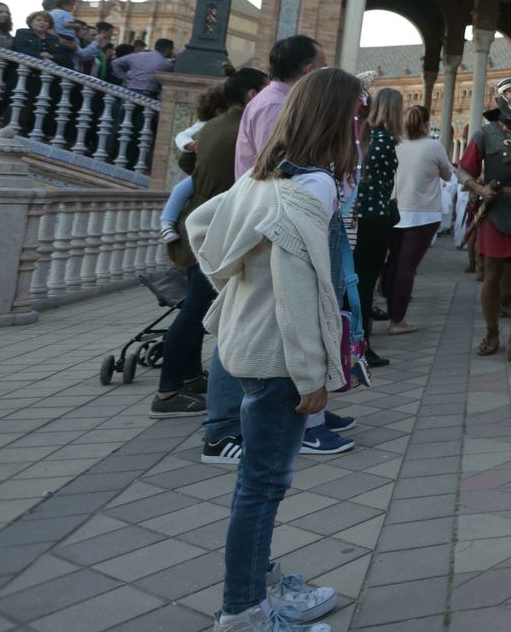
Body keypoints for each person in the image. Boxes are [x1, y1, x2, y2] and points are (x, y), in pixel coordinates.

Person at [188, 67, 362, 631]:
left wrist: (239, 290)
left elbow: (200, 224)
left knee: (259, 482)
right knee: (263, 484)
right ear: (337, 120)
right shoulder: (311, 189)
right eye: (355, 114)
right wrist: (313, 375)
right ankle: (243, 610)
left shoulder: (264, 177)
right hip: (282, 357)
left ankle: (258, 587)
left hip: (249, 345)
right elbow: (298, 291)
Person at [150, 68, 269, 420]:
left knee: (196, 306)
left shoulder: (213, 126)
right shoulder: (242, 131)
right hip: (211, 230)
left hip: (194, 225)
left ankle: (189, 377)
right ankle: (168, 391)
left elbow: (187, 161)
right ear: (251, 96)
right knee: (194, 312)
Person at [457, 77, 511, 362]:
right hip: (495, 208)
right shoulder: (485, 133)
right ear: (500, 97)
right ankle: (492, 332)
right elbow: (463, 170)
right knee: (491, 274)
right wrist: (479, 189)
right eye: (510, 91)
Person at [381, 105, 453, 335]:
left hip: (395, 211)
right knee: (407, 267)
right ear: (425, 124)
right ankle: (397, 319)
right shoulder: (433, 146)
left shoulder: (395, 144)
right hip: (423, 214)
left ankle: (390, 305)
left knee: (394, 262)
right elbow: (448, 174)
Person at [352, 87, 402, 368]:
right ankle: (361, 345)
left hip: (362, 214)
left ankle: (357, 342)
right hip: (376, 214)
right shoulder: (384, 139)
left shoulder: (366, 136)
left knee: (359, 280)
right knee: (366, 281)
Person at [235, 35, 325, 179]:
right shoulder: (274, 105)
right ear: (310, 70)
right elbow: (273, 165)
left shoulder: (281, 100)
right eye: (323, 68)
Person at [159, 84, 230, 245]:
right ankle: (166, 222)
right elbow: (182, 136)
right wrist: (190, 145)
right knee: (180, 189)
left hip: (214, 172)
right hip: (204, 172)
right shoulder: (204, 125)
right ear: (219, 111)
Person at [110, 38, 176, 98]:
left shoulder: (137, 55)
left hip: (131, 89)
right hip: (149, 92)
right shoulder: (167, 64)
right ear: (168, 49)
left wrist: (123, 78)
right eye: (172, 49)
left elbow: (115, 63)